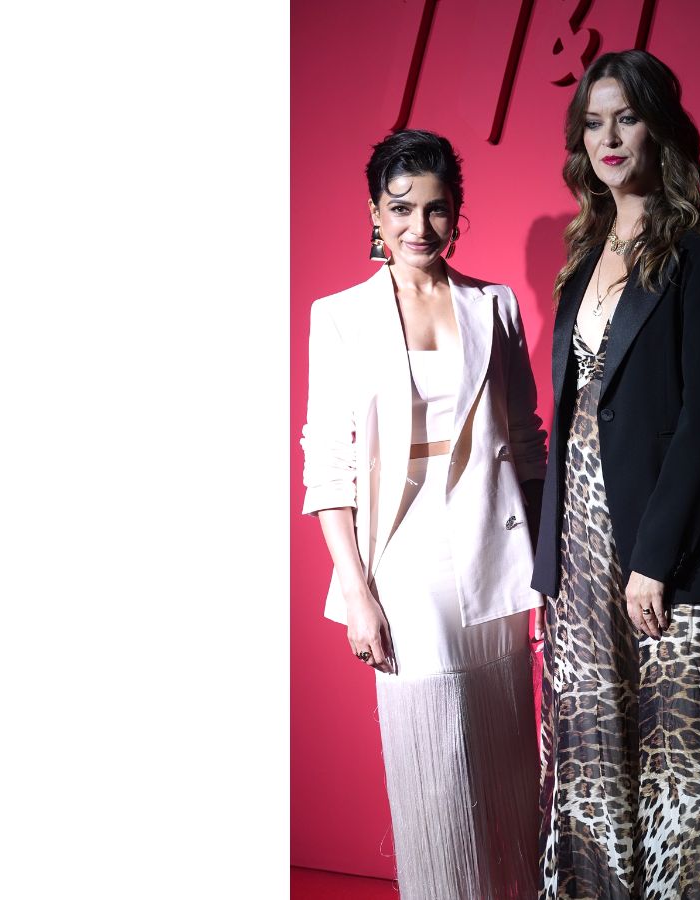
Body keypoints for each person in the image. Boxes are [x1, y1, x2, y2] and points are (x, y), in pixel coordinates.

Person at [532, 50, 700, 898]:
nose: (608, 137)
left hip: (671, 548)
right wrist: (554, 562)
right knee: (595, 765)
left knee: (684, 779)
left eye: (627, 117)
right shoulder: (584, 256)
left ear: (661, 128)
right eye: (593, 122)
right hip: (582, 544)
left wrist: (653, 559)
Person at [300, 129, 544, 900]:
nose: (420, 226)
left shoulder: (493, 304)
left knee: (505, 752)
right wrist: (357, 593)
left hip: (492, 549)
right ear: (375, 212)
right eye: (401, 208)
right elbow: (327, 465)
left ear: (457, 211)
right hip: (404, 560)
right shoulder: (341, 315)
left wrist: (547, 567)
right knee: (436, 763)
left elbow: (528, 443)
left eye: (437, 209)